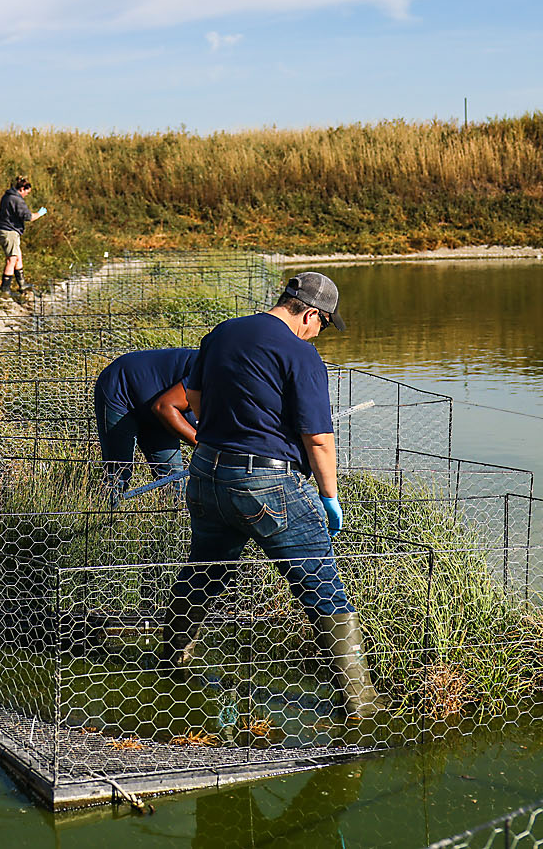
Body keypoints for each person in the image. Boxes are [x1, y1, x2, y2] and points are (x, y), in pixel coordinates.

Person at [161, 272, 379, 718]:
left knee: (205, 569)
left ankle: (169, 662)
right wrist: (329, 495)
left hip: (205, 474)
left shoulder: (222, 333)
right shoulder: (300, 354)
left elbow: (195, 396)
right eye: (323, 326)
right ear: (311, 314)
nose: (320, 335)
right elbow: (318, 438)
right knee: (322, 587)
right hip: (267, 483)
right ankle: (362, 706)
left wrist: (223, 433)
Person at [94, 348, 199, 500]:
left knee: (173, 480)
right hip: (121, 391)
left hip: (160, 407)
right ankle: (107, 517)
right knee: (118, 473)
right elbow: (164, 407)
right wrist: (203, 445)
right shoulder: (212, 371)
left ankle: (172, 521)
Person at [0, 175, 46, 295]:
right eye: (26, 192)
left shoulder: (7, 196)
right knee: (11, 259)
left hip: (4, 229)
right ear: (22, 188)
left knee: (18, 256)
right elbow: (28, 217)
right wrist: (39, 214)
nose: (26, 195)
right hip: (9, 231)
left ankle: (22, 284)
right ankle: (5, 289)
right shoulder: (16, 199)